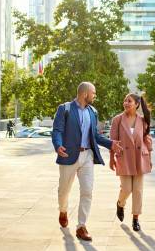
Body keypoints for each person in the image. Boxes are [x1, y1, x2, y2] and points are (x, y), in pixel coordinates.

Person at [52, 82, 122, 241]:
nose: (95, 96)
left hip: (87, 156)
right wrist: (58, 145)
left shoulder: (93, 112)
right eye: (93, 93)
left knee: (87, 191)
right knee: (64, 190)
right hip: (68, 156)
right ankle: (63, 210)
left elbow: (95, 136)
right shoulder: (65, 109)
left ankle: (81, 226)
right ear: (85, 94)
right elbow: (57, 130)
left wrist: (111, 144)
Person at [109, 93, 153, 232]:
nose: (126, 103)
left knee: (138, 190)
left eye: (129, 101)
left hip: (141, 157)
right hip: (124, 157)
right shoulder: (117, 120)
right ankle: (120, 204)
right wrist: (111, 158)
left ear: (137, 104)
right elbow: (113, 141)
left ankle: (135, 219)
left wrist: (149, 159)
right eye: (125, 101)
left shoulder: (143, 120)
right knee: (127, 188)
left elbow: (147, 140)